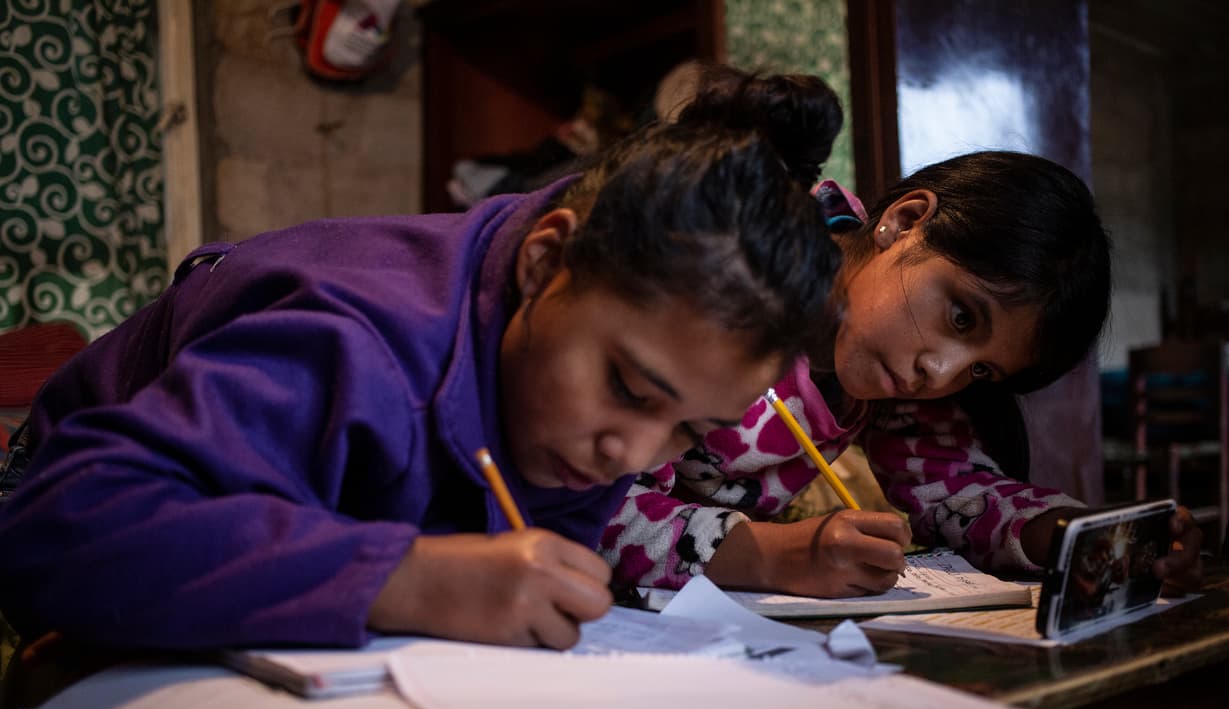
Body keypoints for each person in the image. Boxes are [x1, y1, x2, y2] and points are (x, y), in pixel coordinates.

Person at [0, 69, 845, 652]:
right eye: (626, 387)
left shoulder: (595, 339)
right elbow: (54, 530)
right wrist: (404, 578)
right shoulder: (355, 339)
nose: (629, 452)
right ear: (544, 260)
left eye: (688, 431)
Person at [604, 146, 1204, 598]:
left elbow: (954, 488)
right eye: (963, 316)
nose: (938, 372)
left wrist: (1076, 533)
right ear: (904, 221)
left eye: (980, 372)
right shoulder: (723, 271)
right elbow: (587, 508)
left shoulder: (888, 372)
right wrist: (766, 555)